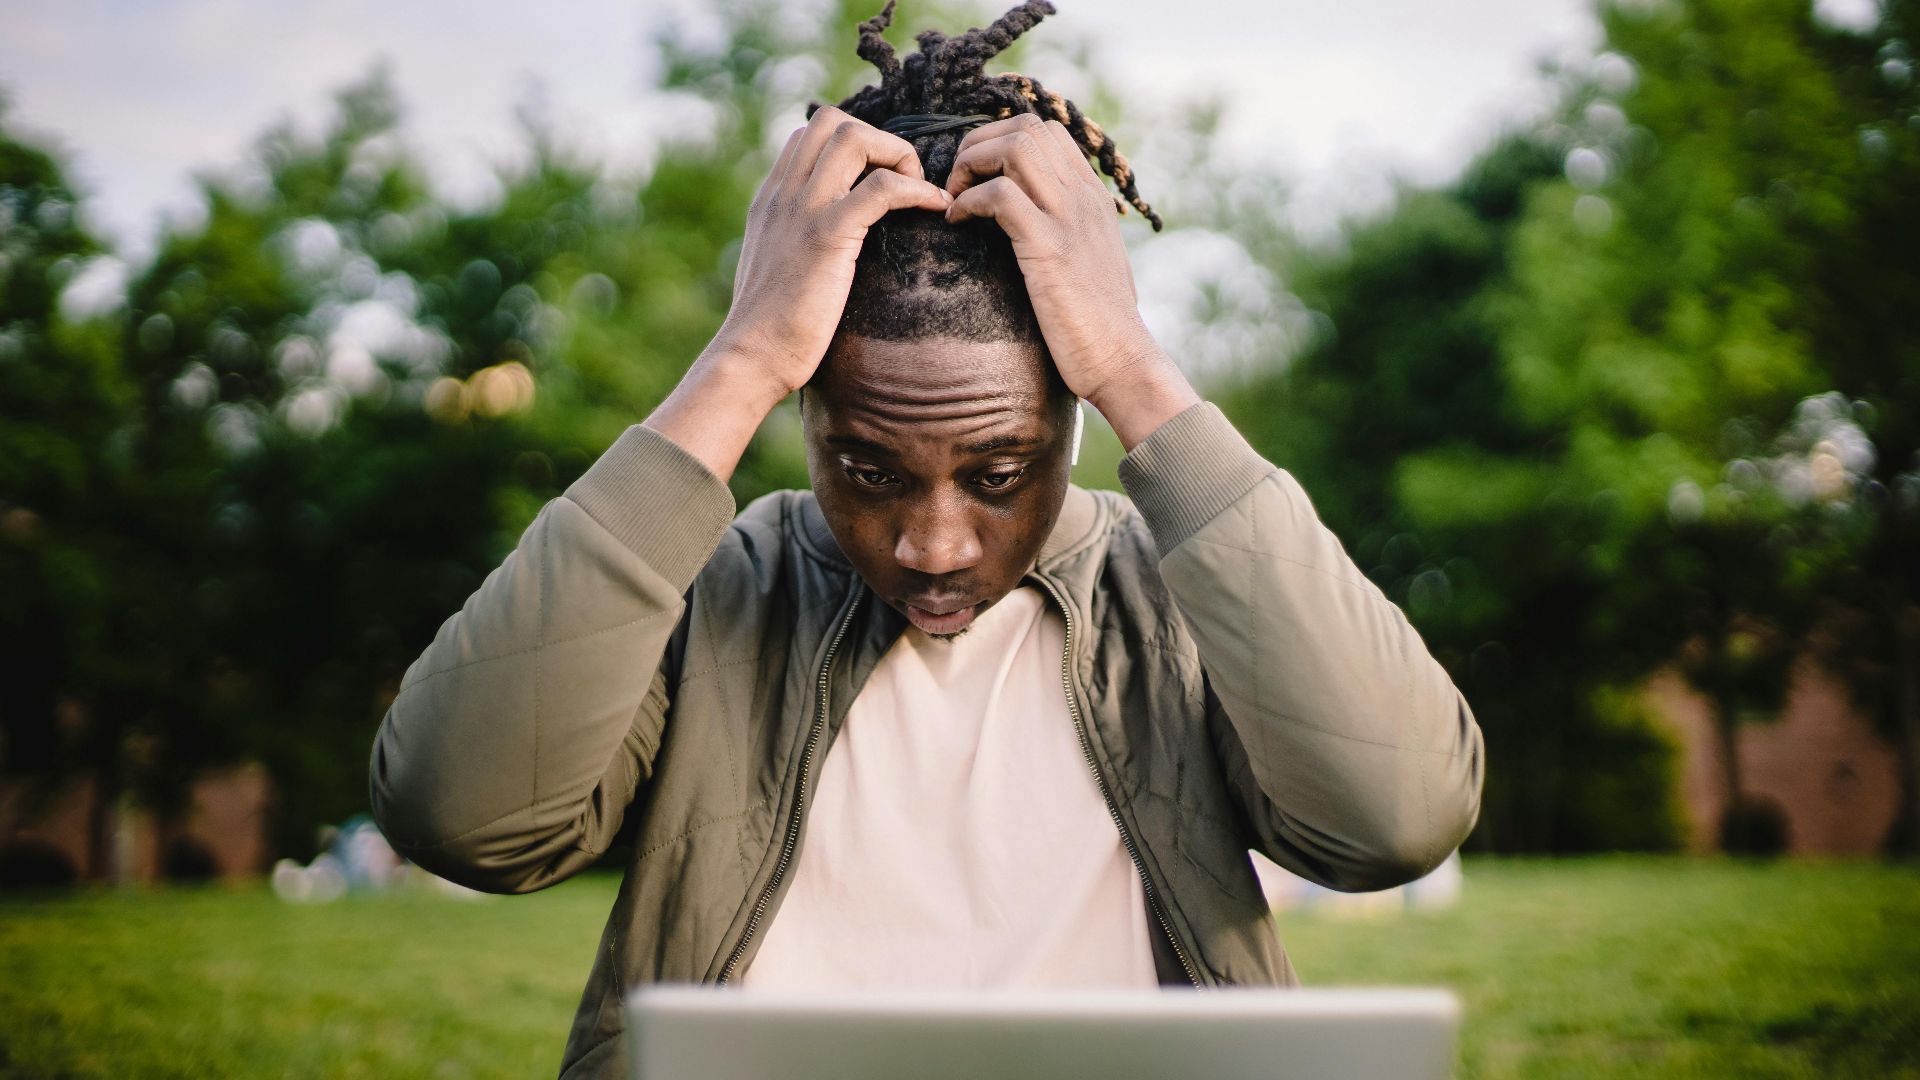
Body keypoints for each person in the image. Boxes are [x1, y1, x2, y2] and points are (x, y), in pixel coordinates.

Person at [368, 3, 1484, 1076]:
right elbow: (461, 817)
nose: (934, 545)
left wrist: (1137, 367)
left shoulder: (1187, 593)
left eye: (998, 475)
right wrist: (740, 359)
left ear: (1072, 418)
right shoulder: (708, 589)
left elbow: (1396, 820)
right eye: (870, 470)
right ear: (805, 416)